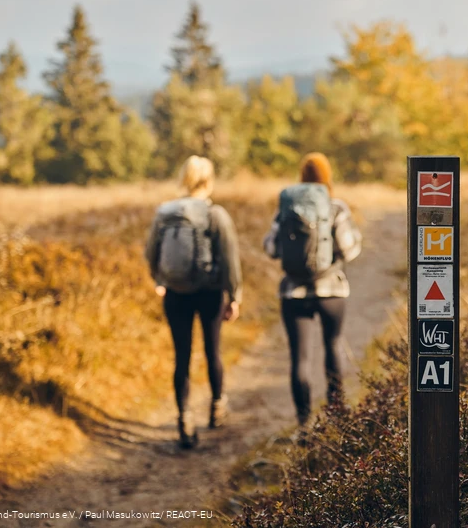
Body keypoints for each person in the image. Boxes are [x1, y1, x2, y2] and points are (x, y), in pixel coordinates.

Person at [144, 155, 243, 449]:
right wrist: (234, 296)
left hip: (175, 294)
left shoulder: (165, 212)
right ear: (208, 181)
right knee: (213, 351)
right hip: (209, 292)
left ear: (183, 178)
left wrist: (160, 280)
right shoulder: (215, 214)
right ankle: (217, 407)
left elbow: (150, 253)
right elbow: (230, 258)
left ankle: (184, 418)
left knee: (182, 356)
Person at [263, 152, 363, 435]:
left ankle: (304, 425)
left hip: (293, 293)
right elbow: (349, 249)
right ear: (327, 176)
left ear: (302, 176)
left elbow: (271, 248)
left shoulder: (286, 208)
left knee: (300, 358)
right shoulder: (336, 207)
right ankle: (337, 418)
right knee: (333, 346)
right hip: (331, 291)